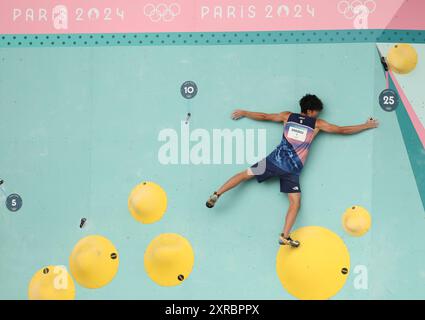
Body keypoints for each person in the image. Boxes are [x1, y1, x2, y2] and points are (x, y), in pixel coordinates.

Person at [206, 94, 379, 247]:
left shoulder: (287, 116)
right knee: (295, 203)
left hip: (272, 162)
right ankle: (285, 235)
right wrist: (366, 126)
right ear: (310, 111)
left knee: (245, 175)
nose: (318, 114)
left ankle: (217, 193)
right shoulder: (316, 124)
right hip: (292, 171)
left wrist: (244, 112)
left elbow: (264, 116)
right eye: (317, 111)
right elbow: (343, 130)